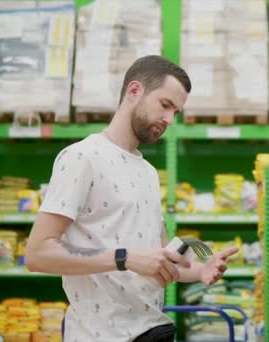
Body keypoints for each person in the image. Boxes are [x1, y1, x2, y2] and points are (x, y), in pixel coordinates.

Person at [25, 55, 239, 342]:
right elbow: (37, 254)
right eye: (165, 105)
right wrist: (124, 258)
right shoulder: (82, 157)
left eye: (176, 112)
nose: (168, 119)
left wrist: (201, 270)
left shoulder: (148, 172)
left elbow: (162, 259)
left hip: (152, 331)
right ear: (134, 91)